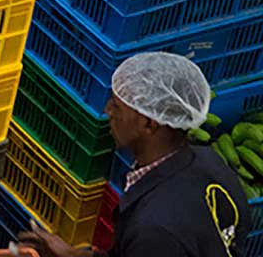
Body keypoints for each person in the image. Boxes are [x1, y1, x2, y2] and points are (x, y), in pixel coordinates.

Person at [20, 53, 247, 257]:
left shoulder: (155, 231)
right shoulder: (209, 162)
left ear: (149, 123)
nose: (108, 110)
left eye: (118, 106)